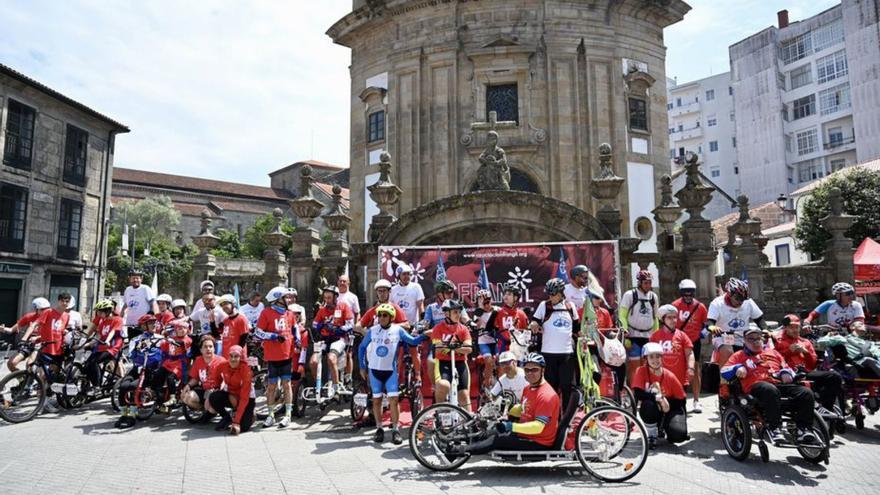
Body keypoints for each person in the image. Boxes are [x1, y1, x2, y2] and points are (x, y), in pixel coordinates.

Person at [721, 325, 816, 444]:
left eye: (758, 338)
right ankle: (774, 427)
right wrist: (738, 367)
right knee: (769, 389)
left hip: (778, 384)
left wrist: (785, 372)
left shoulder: (773, 353)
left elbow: (786, 367)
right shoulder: (739, 355)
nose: (756, 341)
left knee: (805, 392)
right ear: (744, 341)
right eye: (751, 339)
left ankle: (804, 429)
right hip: (756, 386)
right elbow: (724, 372)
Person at [453, 353, 560, 455]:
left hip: (538, 441)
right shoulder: (529, 388)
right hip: (526, 434)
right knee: (489, 432)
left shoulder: (546, 395)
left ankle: (458, 451)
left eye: (534, 370)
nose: (530, 373)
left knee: (498, 439)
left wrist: (511, 426)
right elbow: (522, 410)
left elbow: (538, 427)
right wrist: (503, 407)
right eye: (527, 370)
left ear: (543, 370)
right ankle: (455, 442)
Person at [358, 303, 428, 444]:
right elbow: (361, 347)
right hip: (374, 371)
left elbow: (412, 341)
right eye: (379, 315)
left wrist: (425, 335)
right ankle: (379, 428)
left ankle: (395, 430)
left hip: (390, 372)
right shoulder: (372, 330)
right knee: (376, 400)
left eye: (385, 315)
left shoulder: (398, 330)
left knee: (393, 400)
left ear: (391, 317)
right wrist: (362, 367)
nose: (381, 318)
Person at [774, 314, 844, 419]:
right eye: (791, 327)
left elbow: (812, 364)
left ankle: (826, 407)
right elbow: (772, 359)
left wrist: (806, 352)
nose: (795, 330)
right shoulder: (777, 341)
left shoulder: (805, 342)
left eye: (797, 327)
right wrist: (788, 351)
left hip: (805, 371)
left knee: (834, 376)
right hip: (787, 373)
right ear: (785, 328)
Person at [530, 278, 579, 408]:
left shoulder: (570, 306)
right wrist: (534, 324)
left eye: (553, 294)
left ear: (561, 293)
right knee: (551, 388)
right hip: (548, 354)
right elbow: (534, 320)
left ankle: (566, 420)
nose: (551, 297)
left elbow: (577, 328)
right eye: (549, 294)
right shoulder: (544, 306)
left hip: (566, 354)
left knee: (567, 387)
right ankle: (553, 419)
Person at [254, 286, 296, 428]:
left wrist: (296, 341)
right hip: (272, 356)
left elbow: (294, 329)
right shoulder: (266, 313)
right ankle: (271, 415)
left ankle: (288, 415)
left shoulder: (289, 314)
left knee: (287, 384)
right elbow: (258, 332)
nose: (288, 300)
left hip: (287, 355)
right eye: (285, 297)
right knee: (271, 386)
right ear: (278, 300)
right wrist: (272, 336)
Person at [632, 343, 688, 448]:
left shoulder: (669, 376)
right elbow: (638, 394)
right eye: (651, 357)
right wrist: (656, 398)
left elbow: (682, 400)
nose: (655, 360)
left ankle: (665, 427)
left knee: (678, 436)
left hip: (671, 407)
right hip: (652, 407)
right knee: (648, 405)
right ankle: (652, 435)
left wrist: (665, 403)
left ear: (662, 358)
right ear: (646, 359)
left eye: (658, 356)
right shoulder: (641, 371)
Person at [708, 277, 765, 367]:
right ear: (729, 294)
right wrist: (713, 327)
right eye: (738, 299)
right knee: (728, 352)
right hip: (723, 336)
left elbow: (759, 319)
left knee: (760, 351)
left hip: (743, 336)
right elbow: (710, 322)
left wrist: (765, 329)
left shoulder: (748, 302)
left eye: (743, 299)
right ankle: (723, 378)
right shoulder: (717, 303)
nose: (741, 302)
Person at [671, 279, 708, 413]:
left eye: (690, 294)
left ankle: (697, 400)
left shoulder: (700, 306)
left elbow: (706, 324)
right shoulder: (674, 306)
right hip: (679, 341)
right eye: (685, 295)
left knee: (695, 369)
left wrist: (704, 332)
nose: (688, 297)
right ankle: (679, 398)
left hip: (694, 341)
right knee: (678, 369)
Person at [311, 286, 355, 397]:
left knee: (331, 358)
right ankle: (319, 387)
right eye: (325, 298)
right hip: (325, 339)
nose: (327, 300)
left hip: (339, 338)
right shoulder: (322, 310)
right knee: (313, 362)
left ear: (336, 297)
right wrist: (321, 325)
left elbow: (350, 324)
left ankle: (336, 387)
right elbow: (314, 324)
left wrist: (339, 329)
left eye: (329, 298)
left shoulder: (343, 306)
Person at [431, 299, 473, 408]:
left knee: (464, 394)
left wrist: (451, 347)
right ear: (446, 313)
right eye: (455, 312)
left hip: (460, 363)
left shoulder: (463, 329)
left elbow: (468, 348)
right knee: (443, 385)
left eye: (459, 312)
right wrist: (458, 347)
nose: (458, 315)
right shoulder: (438, 328)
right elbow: (437, 349)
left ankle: (469, 422)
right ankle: (439, 411)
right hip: (443, 363)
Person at [619, 270, 659, 382]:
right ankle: (633, 394)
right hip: (633, 336)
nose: (648, 285)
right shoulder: (630, 295)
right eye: (646, 283)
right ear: (639, 283)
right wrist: (625, 333)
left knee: (648, 366)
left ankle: (646, 391)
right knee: (634, 367)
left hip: (648, 336)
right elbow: (622, 315)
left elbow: (655, 317)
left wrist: (655, 336)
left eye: (650, 283)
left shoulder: (653, 297)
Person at [207, 345, 256, 434]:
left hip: (247, 398)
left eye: (236, 356)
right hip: (231, 394)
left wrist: (236, 422)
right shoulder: (223, 365)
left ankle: (251, 414)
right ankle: (227, 417)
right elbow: (215, 375)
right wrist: (217, 387)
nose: (233, 359)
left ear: (240, 357)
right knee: (213, 397)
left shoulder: (246, 371)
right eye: (231, 356)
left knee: (244, 427)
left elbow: (244, 398)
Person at [649, 305, 695, 397]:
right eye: (669, 317)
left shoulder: (682, 335)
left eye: (675, 317)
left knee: (680, 407)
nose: (673, 320)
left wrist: (691, 368)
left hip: (680, 379)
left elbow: (689, 353)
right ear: (663, 320)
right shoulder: (655, 336)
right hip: (660, 379)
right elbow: (649, 357)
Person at [390, 264, 425, 378]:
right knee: (398, 353)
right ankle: (396, 377)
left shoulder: (416, 287)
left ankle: (418, 376)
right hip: (398, 326)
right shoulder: (393, 290)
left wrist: (422, 324)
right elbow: (390, 308)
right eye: (404, 274)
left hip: (413, 325)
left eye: (409, 274)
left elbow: (421, 307)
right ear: (398, 275)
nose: (406, 277)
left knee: (414, 351)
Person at [83, 299, 124, 394]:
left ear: (108, 311)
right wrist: (85, 344)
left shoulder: (117, 319)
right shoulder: (103, 322)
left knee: (95, 362)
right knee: (88, 364)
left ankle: (97, 386)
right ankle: (93, 384)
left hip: (112, 347)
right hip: (102, 346)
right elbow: (99, 336)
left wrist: (107, 340)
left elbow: (113, 331)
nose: (98, 314)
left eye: (100, 312)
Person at [3, 297, 51, 372]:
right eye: (42, 309)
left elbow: (53, 334)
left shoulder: (51, 319)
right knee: (11, 363)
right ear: (36, 309)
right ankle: (21, 380)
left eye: (46, 309)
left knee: (29, 365)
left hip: (41, 345)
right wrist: (3, 329)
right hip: (29, 344)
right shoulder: (29, 316)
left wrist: (38, 337)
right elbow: (12, 329)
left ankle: (29, 383)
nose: (45, 311)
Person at [181, 335, 227, 413]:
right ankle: (203, 409)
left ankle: (211, 409)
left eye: (210, 346)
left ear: (214, 349)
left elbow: (225, 380)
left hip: (216, 392)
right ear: (201, 350)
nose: (208, 349)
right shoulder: (198, 360)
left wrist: (218, 391)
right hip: (205, 390)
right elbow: (195, 378)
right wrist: (188, 385)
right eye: (205, 347)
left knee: (212, 410)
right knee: (187, 397)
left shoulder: (221, 361)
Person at [154, 320, 192, 411]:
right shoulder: (173, 338)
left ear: (187, 330)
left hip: (180, 363)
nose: (182, 330)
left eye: (184, 328)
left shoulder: (187, 339)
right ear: (175, 330)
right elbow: (163, 345)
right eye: (179, 328)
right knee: (158, 374)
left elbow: (181, 344)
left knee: (170, 378)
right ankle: (159, 395)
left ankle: (173, 397)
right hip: (169, 362)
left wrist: (170, 340)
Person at [491, 283, 530, 357]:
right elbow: (493, 330)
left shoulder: (521, 314)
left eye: (509, 294)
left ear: (515, 298)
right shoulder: (498, 312)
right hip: (503, 349)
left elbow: (526, 333)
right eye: (505, 294)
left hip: (519, 350)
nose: (505, 296)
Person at [474, 288, 501, 387]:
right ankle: (486, 383)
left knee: (500, 359)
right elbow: (476, 326)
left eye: (487, 302)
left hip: (496, 340)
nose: (486, 305)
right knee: (488, 361)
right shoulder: (478, 313)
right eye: (483, 303)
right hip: (484, 341)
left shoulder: (497, 310)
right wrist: (480, 309)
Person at [337, 275, 361, 384]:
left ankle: (348, 377)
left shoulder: (353, 297)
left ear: (348, 283)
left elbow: (357, 313)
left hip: (349, 329)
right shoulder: (334, 295)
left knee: (348, 354)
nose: (342, 283)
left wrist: (356, 326)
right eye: (340, 281)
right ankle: (336, 377)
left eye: (344, 281)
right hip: (336, 329)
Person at [121, 270, 158, 336]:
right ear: (130, 279)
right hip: (130, 324)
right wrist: (121, 315)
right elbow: (125, 304)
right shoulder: (128, 289)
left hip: (144, 325)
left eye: (137, 278)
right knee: (132, 344)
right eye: (133, 278)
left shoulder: (145, 288)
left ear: (141, 279)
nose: (135, 280)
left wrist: (157, 316)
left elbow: (153, 303)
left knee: (143, 344)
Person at [218, 294, 250, 360]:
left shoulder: (241, 319)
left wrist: (237, 352)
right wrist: (212, 322)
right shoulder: (225, 320)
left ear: (233, 304)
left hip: (237, 357)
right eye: (222, 305)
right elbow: (216, 334)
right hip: (226, 356)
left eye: (225, 304)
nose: (224, 307)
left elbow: (244, 338)